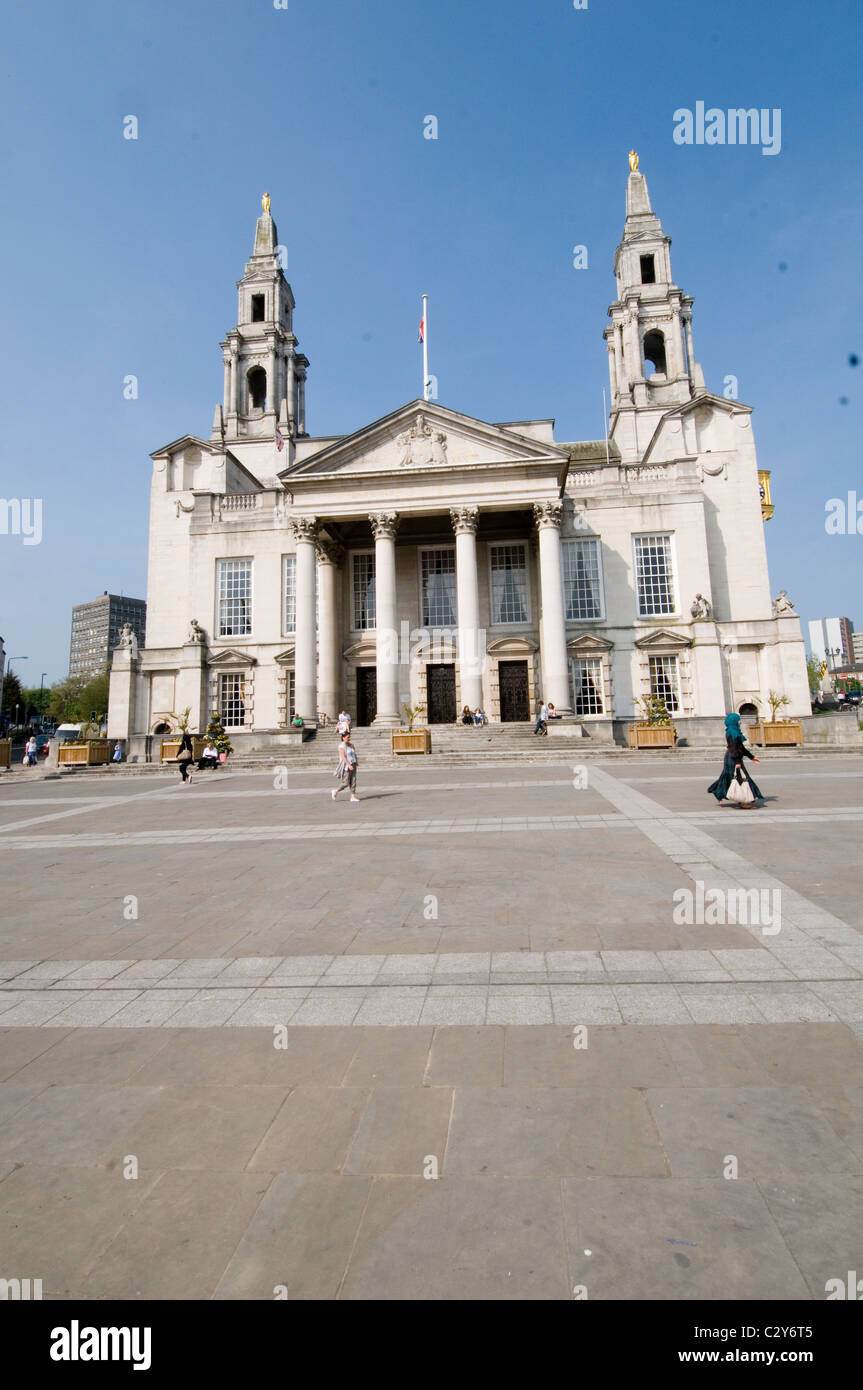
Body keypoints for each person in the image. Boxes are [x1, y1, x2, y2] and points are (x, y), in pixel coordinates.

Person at [707, 711, 763, 809]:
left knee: (729, 777)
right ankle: (745, 801)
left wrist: (752, 757)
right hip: (733, 758)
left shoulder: (734, 731)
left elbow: (740, 747)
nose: (740, 721)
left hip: (734, 757)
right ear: (734, 721)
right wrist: (737, 762)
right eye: (738, 720)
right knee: (741, 778)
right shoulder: (732, 732)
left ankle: (719, 792)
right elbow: (733, 747)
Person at [331, 730, 359, 802]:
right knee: (346, 783)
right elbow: (343, 757)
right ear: (343, 738)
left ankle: (352, 796)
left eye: (349, 737)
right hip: (346, 766)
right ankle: (336, 791)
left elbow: (354, 754)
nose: (349, 738)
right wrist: (348, 765)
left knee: (353, 781)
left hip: (353, 764)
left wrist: (356, 762)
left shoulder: (352, 745)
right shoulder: (341, 746)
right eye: (347, 737)